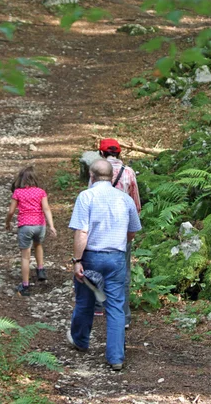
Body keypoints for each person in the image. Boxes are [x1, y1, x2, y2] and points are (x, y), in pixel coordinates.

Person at [68, 159, 141, 371]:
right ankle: (116, 357)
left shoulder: (86, 196)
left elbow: (81, 232)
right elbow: (133, 231)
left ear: (91, 176)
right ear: (111, 176)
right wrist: (120, 242)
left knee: (85, 301)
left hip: (91, 256)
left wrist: (77, 260)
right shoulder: (125, 199)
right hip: (116, 257)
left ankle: (81, 341)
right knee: (116, 306)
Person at [92, 138, 141, 327]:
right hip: (122, 228)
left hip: (100, 227)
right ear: (119, 153)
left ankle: (98, 305)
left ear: (102, 154)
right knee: (124, 272)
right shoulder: (128, 172)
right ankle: (124, 316)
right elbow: (136, 204)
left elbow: (91, 195)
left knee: (96, 266)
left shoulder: (97, 171)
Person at [5, 165, 57, 296]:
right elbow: (46, 209)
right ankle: (41, 269)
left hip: (25, 226)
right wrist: (51, 226)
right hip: (40, 226)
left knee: (25, 256)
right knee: (38, 245)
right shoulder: (40, 192)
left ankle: (25, 285)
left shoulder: (17, 192)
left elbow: (11, 211)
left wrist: (7, 222)